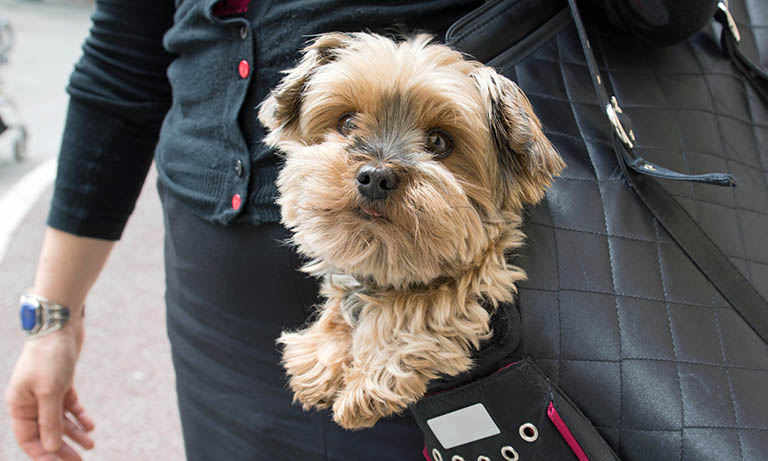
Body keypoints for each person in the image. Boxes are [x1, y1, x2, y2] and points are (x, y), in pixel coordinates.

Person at [4, 1, 485, 460]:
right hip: (211, 313)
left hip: (445, 329)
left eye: (437, 142)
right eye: (348, 122)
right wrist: (54, 318)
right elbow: (120, 67)